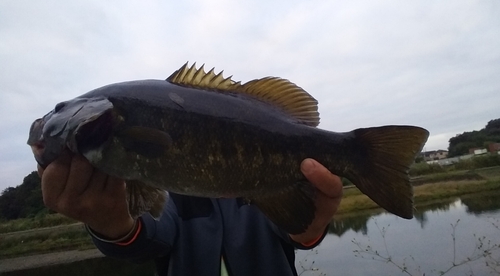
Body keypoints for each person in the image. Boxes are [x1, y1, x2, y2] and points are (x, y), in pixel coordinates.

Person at [38, 150, 343, 276]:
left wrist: (310, 226)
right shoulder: (169, 189)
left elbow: (293, 229)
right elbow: (150, 236)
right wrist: (112, 224)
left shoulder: (264, 185)